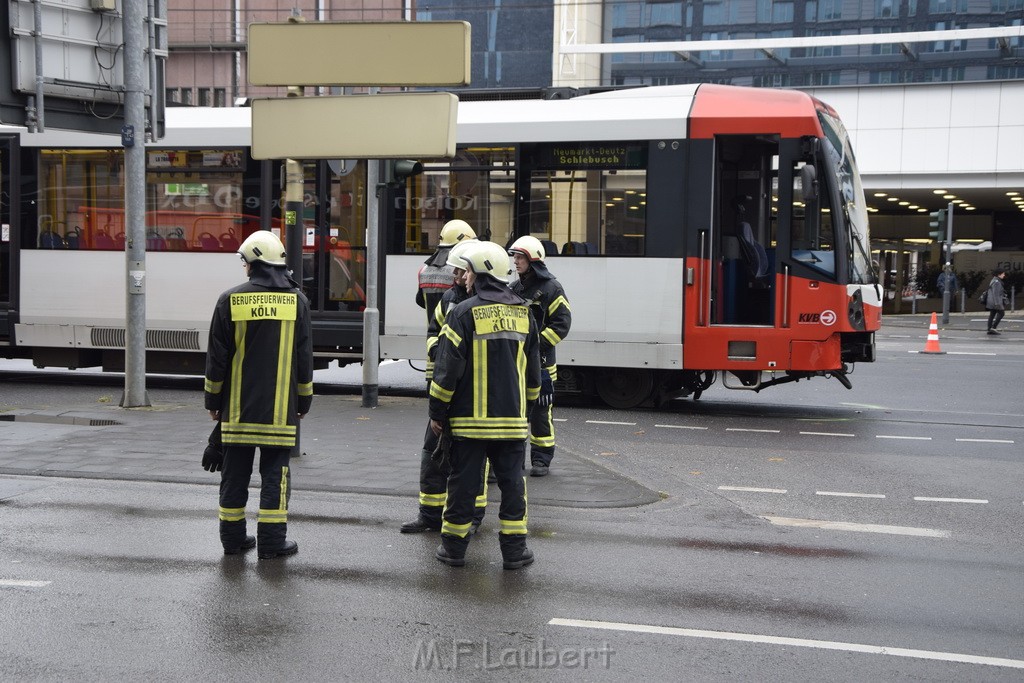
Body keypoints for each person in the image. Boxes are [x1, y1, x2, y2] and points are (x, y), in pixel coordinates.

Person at [428, 241, 542, 570]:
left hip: (468, 424)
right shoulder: (525, 314)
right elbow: (534, 375)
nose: (462, 277)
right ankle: (515, 551)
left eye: (467, 272)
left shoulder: (463, 313)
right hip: (511, 424)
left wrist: (437, 412)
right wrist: (528, 412)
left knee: (464, 485)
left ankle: (453, 550)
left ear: (478, 274)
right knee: (512, 486)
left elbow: (447, 372)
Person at [204, 230, 313, 559]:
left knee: (234, 475)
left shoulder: (230, 300)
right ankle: (271, 543)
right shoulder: (298, 301)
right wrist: (303, 402)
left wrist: (213, 402)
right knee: (275, 477)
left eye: (245, 263)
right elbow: (304, 358)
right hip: (280, 414)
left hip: (236, 413)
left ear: (253, 263)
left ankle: (233, 540)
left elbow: (216, 359)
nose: (244, 269)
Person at [401, 238, 488, 534]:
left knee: (472, 462)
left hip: (471, 396)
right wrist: (438, 352)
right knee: (432, 454)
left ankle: (473, 517)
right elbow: (433, 330)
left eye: (462, 272)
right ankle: (429, 515)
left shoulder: (486, 304)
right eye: (457, 272)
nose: (458, 277)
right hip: (447, 390)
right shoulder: (451, 298)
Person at [507, 235, 572, 477]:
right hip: (517, 363)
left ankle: (542, 459)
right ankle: (514, 459)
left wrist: (536, 345)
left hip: (542, 365)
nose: (515, 260)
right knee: (516, 412)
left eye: (520, 256)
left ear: (533, 259)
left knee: (541, 414)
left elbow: (562, 324)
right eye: (514, 256)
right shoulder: (514, 288)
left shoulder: (551, 289)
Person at [416, 219, 477, 383]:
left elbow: (421, 302)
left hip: (434, 352)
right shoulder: (462, 270)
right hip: (457, 355)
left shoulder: (424, 270)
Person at [984, 269, 1008, 335]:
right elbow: (996, 294)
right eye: (1003, 274)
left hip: (991, 301)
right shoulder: (997, 282)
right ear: (999, 274)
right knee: (1002, 313)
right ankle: (993, 328)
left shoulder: (994, 280)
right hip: (995, 302)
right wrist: (997, 304)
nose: (1004, 275)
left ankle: (989, 329)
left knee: (992, 314)